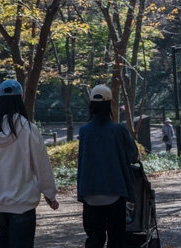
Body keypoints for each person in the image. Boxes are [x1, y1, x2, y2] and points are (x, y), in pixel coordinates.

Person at [0, 79, 59, 248]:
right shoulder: (27, 128)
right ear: (20, 98)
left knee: (4, 240)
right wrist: (50, 194)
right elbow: (41, 165)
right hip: (23, 202)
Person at [77, 84, 138, 248]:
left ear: (91, 105)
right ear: (110, 104)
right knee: (116, 239)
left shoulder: (84, 131)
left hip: (89, 192)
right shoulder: (118, 130)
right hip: (114, 191)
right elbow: (133, 155)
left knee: (94, 239)